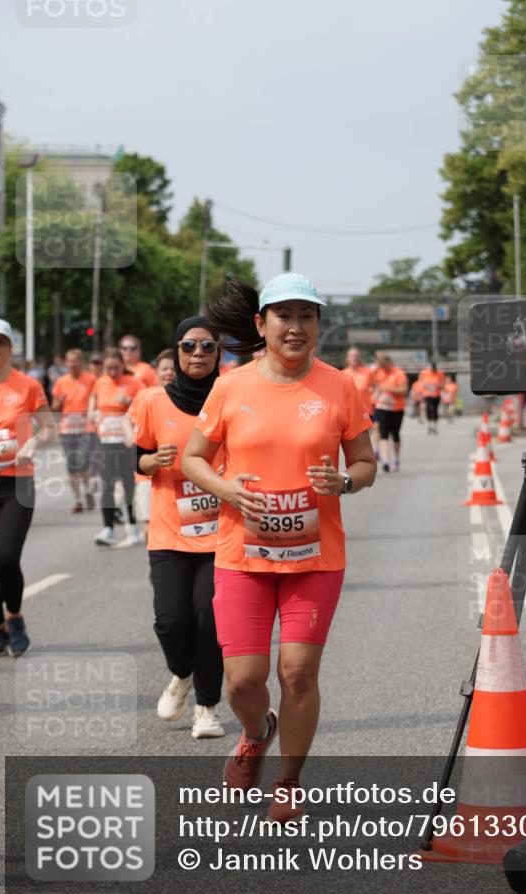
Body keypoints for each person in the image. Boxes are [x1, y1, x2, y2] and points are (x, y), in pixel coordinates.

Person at [182, 274, 376, 820]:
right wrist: (225, 488)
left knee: (296, 672)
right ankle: (257, 730)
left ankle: (289, 779)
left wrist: (346, 482)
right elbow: (194, 457)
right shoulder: (231, 386)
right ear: (261, 325)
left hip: (315, 558)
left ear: (317, 325)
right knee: (244, 679)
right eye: (283, 316)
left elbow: (365, 463)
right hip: (242, 553)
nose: (295, 327)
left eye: (306, 316)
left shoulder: (340, 386)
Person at [131, 321, 225, 739]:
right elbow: (138, 459)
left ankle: (206, 708)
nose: (198, 352)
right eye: (189, 346)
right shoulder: (153, 401)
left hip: (222, 533)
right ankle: (180, 675)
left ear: (218, 352)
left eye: (207, 346)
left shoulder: (232, 397)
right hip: (170, 532)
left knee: (209, 621)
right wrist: (154, 461)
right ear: (177, 352)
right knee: (171, 621)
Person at [0, 319, 57, 656]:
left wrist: (34, 443)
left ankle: (14, 616)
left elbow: (49, 430)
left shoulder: (27, 386)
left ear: (10, 347)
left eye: (0, 342)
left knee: (3, 558)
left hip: (18, 483)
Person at [88, 347, 143, 547]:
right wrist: (90, 413)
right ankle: (108, 529)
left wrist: (129, 401)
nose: (112, 373)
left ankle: (133, 525)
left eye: (116, 368)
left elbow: (144, 407)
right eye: (108, 369)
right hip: (105, 442)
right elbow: (93, 400)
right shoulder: (100, 382)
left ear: (123, 366)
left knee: (129, 484)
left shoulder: (133, 383)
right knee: (107, 485)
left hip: (126, 442)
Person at [131, 349, 176, 541]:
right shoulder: (145, 397)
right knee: (150, 528)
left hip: (175, 475)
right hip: (147, 474)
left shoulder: (187, 399)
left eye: (173, 369)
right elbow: (129, 420)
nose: (169, 373)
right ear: (156, 373)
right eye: (164, 369)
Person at [51, 348, 96, 514]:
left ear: (81, 362)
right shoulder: (61, 382)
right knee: (71, 465)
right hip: (67, 428)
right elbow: (53, 407)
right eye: (69, 361)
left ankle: (88, 492)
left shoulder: (91, 380)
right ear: (66, 363)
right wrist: (59, 402)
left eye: (75, 361)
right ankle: (78, 500)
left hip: (86, 428)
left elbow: (97, 400)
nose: (72, 364)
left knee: (83, 463)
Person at [372, 352, 408, 472]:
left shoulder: (398, 373)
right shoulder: (377, 373)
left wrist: (389, 389)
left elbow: (404, 390)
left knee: (395, 434)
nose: (382, 368)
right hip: (381, 407)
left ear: (388, 363)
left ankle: (396, 459)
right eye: (380, 365)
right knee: (383, 433)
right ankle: (385, 461)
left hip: (397, 408)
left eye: (384, 365)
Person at [341, 347, 375, 420]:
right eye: (351, 356)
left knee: (366, 431)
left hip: (366, 411)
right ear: (347, 358)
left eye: (356, 356)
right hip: (349, 412)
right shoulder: (342, 374)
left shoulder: (368, 372)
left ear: (359, 358)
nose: (354, 358)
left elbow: (377, 387)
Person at [419, 360, 445, 434]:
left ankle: (435, 426)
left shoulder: (439, 373)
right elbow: (421, 382)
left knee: (434, 409)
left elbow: (443, 383)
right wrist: (427, 386)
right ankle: (430, 425)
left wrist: (437, 386)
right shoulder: (424, 373)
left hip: (436, 394)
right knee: (428, 408)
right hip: (427, 394)